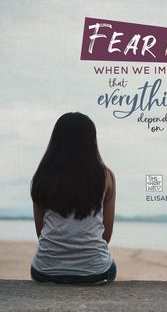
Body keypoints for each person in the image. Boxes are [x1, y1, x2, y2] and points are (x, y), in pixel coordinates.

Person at [30, 112, 117, 284]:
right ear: (91, 140)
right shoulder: (106, 176)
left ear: (55, 140)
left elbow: (41, 232)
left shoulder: (41, 176)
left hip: (45, 272)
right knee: (109, 265)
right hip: (96, 272)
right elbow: (106, 235)